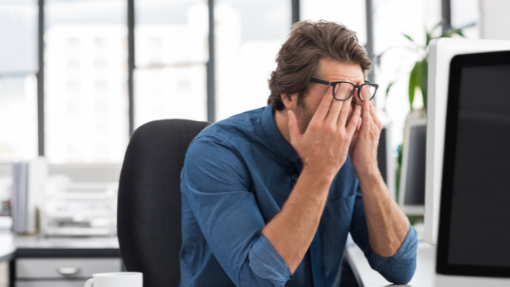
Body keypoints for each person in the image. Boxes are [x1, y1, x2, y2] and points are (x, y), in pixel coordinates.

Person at [179, 20, 417, 287]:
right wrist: (319, 170)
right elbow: (258, 281)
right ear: (290, 95)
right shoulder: (217, 151)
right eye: (339, 94)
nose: (352, 110)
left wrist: (368, 168)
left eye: (360, 93)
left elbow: (401, 268)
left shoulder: (350, 150)